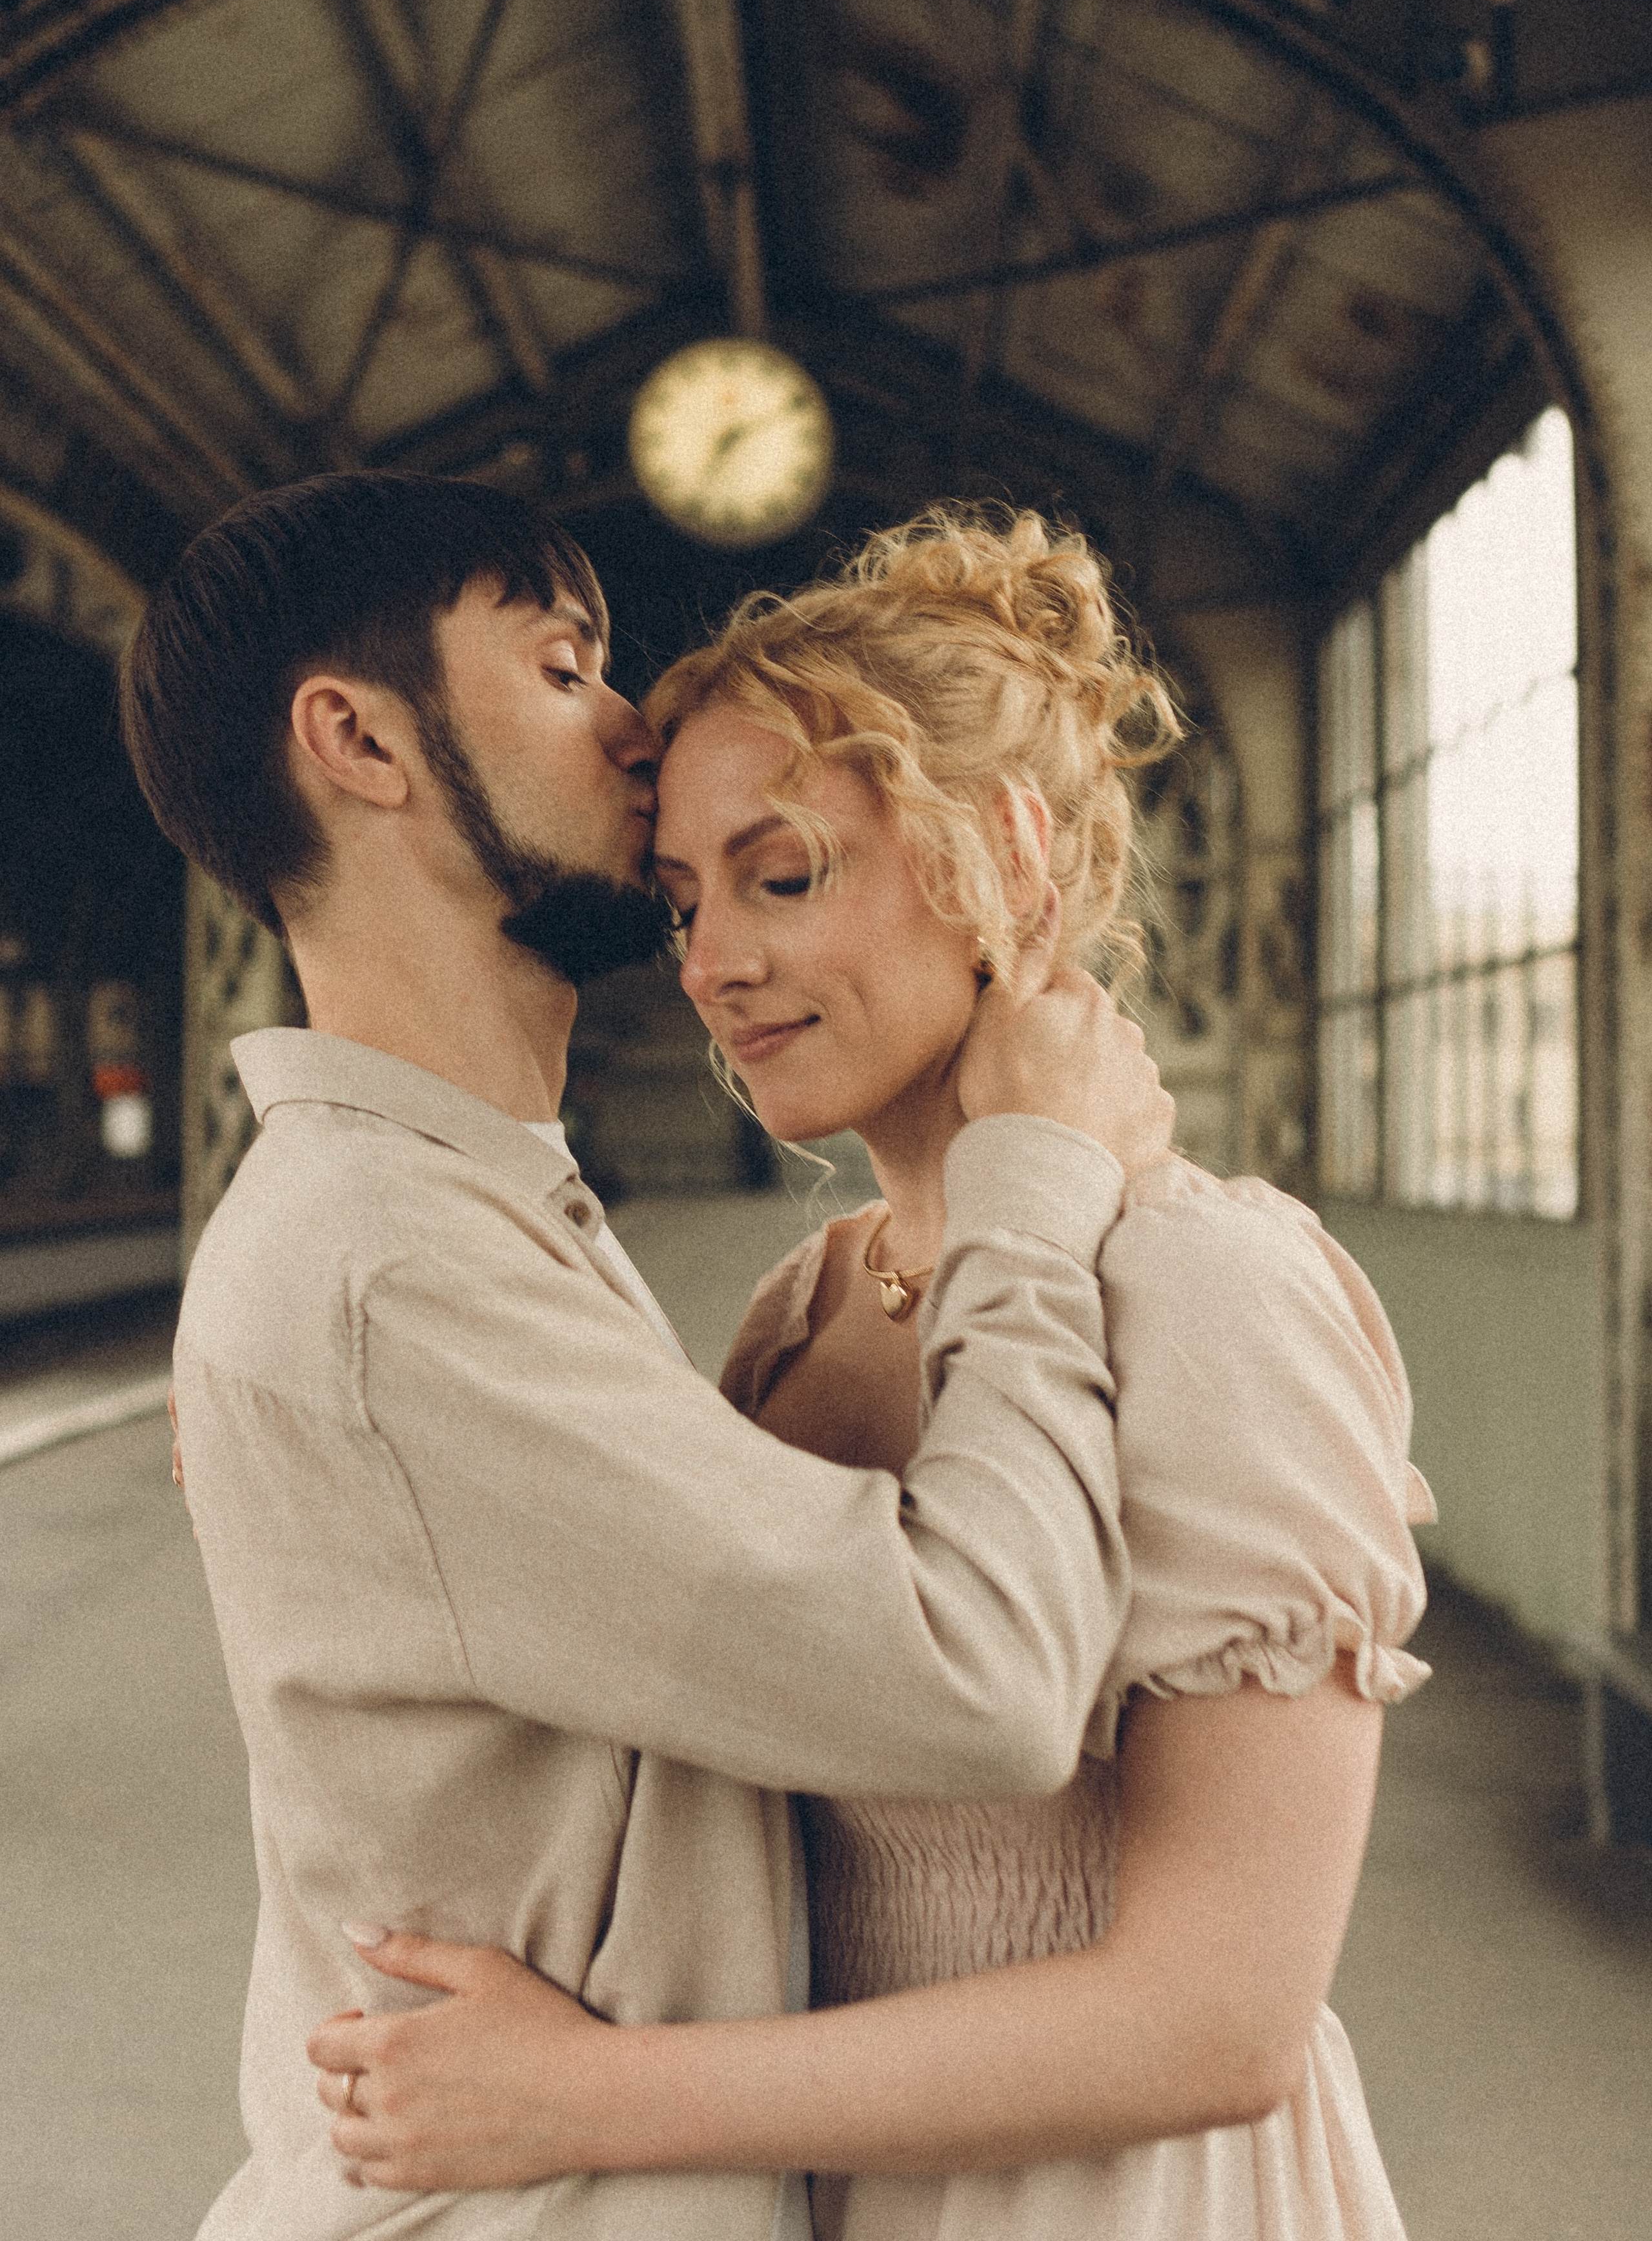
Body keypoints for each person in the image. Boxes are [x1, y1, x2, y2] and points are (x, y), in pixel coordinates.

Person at [307, 508, 1433, 2240]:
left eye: (784, 875)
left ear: (1007, 861)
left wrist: (586, 2099)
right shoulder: (802, 1306)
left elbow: (1220, 2021)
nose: (711, 965)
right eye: (682, 899)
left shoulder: (1216, 1287)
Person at [122, 472, 1179, 2241]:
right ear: (359, 743)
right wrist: (1040, 1183)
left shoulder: (432, 1221)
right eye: (560, 668)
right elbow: (981, 1678)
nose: (632, 727)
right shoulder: (387, 1270)